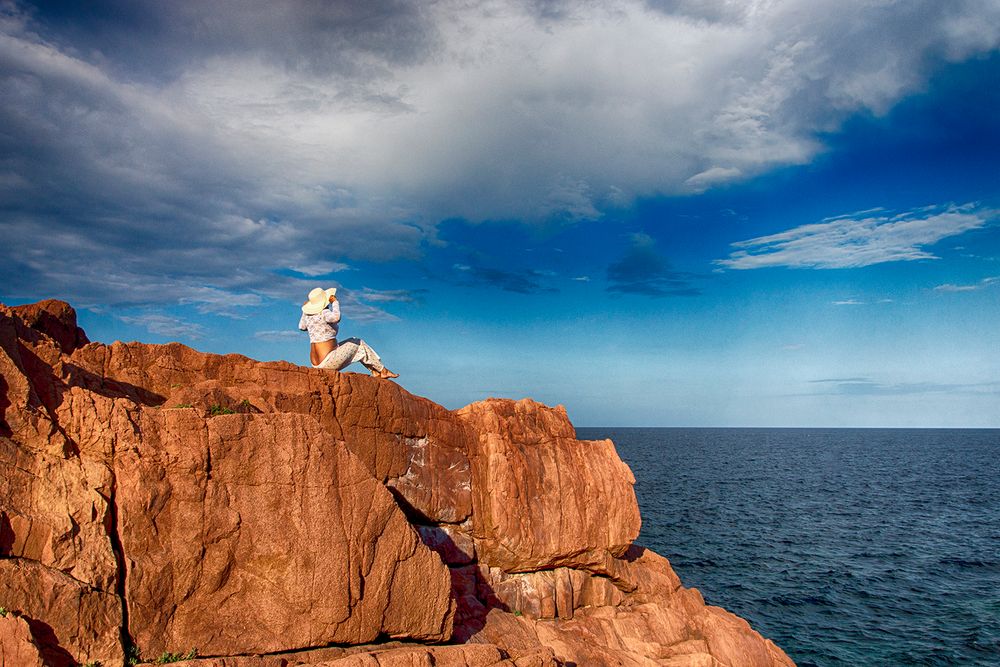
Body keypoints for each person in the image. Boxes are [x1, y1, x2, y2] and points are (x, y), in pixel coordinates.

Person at [298, 287, 399, 379]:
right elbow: (336, 318)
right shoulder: (324, 312)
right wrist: (335, 302)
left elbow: (301, 327)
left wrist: (305, 311)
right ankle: (383, 370)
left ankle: (375, 371)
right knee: (359, 343)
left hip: (315, 364)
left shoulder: (309, 316)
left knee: (353, 341)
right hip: (328, 361)